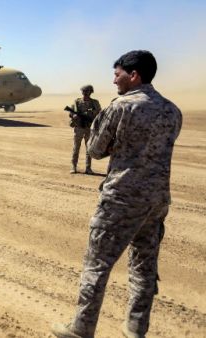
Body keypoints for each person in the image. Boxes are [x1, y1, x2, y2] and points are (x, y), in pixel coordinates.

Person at [52, 50, 182, 338]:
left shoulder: (120, 107)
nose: (114, 80)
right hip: (157, 200)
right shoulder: (173, 110)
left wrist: (115, 147)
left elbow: (96, 150)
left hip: (121, 198)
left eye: (117, 74)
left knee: (97, 265)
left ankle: (81, 328)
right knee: (144, 266)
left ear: (133, 75)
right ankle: (136, 329)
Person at [69, 85, 101, 174]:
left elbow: (99, 114)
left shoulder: (95, 103)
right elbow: (71, 112)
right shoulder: (77, 102)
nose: (85, 93)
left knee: (89, 149)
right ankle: (73, 166)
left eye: (87, 92)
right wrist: (73, 115)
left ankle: (88, 168)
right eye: (84, 91)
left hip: (89, 128)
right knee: (76, 148)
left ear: (91, 92)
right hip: (79, 127)